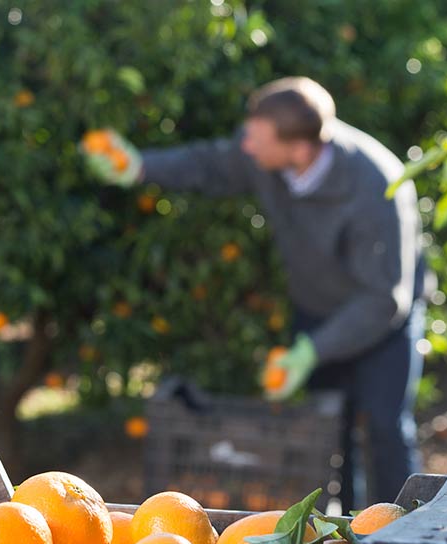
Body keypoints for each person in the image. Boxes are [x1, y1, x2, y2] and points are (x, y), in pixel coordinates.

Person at [85, 77, 428, 508]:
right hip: (317, 308)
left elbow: (383, 299)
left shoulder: (375, 189)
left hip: (382, 315)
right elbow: (209, 164)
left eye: (255, 139)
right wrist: (140, 166)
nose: (245, 146)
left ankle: (402, 537)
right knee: (328, 430)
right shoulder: (269, 153)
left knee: (384, 426)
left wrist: (311, 351)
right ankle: (343, 539)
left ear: (300, 150)